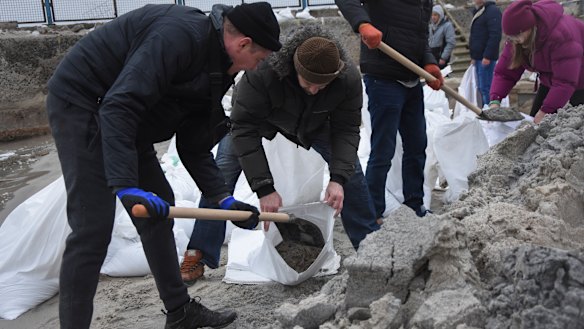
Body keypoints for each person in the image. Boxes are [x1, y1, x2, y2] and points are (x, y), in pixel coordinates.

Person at [45, 3, 281, 329]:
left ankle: (180, 310)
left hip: (128, 117)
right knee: (92, 228)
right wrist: (126, 186)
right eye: (260, 59)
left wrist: (221, 198)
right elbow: (119, 105)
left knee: (160, 207)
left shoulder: (221, 67)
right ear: (243, 44)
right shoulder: (179, 36)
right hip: (84, 101)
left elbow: (193, 143)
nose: (258, 68)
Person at [180, 24, 381, 284]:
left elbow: (346, 130)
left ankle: (373, 249)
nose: (314, 90)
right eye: (309, 83)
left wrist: (338, 179)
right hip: (259, 119)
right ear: (294, 68)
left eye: (323, 85)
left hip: (314, 124)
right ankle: (197, 252)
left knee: (350, 172)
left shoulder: (347, 78)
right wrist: (264, 188)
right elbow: (243, 128)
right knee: (221, 174)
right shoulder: (265, 69)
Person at [334, 0, 443, 222]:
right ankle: (373, 211)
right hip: (383, 78)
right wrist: (362, 23)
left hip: (412, 79)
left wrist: (429, 62)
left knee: (416, 145)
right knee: (383, 149)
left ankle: (414, 204)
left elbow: (420, 37)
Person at [488, 0, 584, 125]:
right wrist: (495, 100)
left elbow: (565, 81)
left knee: (577, 124)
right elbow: (505, 72)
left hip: (579, 75)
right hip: (550, 78)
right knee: (534, 124)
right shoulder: (517, 39)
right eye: (511, 37)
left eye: (516, 35)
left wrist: (546, 111)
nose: (514, 40)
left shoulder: (560, 36)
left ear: (528, 28)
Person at [469, 0, 502, 108]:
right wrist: (473, 56)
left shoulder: (492, 11)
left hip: (486, 58)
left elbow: (495, 35)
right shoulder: (479, 11)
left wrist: (488, 55)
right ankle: (484, 110)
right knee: (480, 87)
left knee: (486, 87)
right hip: (478, 57)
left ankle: (490, 111)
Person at [429, 5, 457, 69]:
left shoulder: (447, 26)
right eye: (432, 15)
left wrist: (443, 57)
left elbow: (451, 42)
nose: (433, 17)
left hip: (441, 55)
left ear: (440, 15)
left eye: (435, 15)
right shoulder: (430, 26)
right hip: (431, 55)